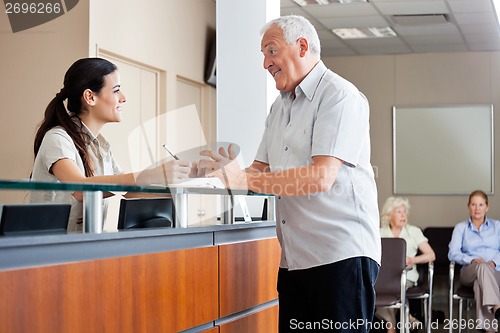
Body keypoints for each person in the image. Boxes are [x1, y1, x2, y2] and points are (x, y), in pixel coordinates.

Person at [198, 15, 381, 333]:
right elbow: (258, 172)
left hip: (341, 257)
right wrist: (220, 174)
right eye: (263, 54)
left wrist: (243, 178)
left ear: (302, 46)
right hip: (295, 260)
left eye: (271, 51)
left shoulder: (339, 96)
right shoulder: (279, 108)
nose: (265, 63)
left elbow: (320, 178)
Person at [30, 57, 192, 232]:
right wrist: (150, 175)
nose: (123, 98)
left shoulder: (101, 147)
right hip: (48, 248)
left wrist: (187, 181)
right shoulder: (57, 138)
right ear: (90, 97)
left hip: (81, 245)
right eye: (116, 91)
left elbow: (129, 190)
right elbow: (80, 189)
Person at [377, 196, 435, 333]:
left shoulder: (414, 231)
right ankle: (407, 316)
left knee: (392, 287)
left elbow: (431, 255)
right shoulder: (380, 233)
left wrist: (412, 260)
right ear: (389, 215)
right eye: (398, 211)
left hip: (406, 276)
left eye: (404, 211)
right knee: (384, 287)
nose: (403, 215)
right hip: (383, 278)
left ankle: (390, 328)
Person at [448, 190, 500, 333]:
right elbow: (452, 253)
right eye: (473, 204)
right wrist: (471, 260)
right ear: (468, 206)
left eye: (481, 204)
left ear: (487, 207)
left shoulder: (497, 226)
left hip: (495, 272)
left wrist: (494, 262)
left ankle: (488, 330)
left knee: (480, 285)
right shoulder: (461, 228)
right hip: (469, 272)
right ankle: (496, 306)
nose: (477, 208)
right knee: (481, 268)